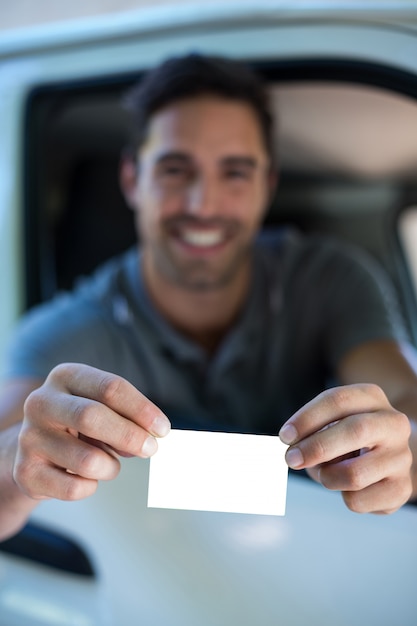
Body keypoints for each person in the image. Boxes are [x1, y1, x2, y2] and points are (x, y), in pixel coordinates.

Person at [0, 53, 416, 541]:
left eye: (235, 173)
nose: (203, 205)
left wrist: (398, 446)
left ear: (267, 185)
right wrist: (17, 462)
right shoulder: (64, 333)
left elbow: (404, 398)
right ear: (133, 180)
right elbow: (12, 438)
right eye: (176, 170)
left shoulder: (332, 279)